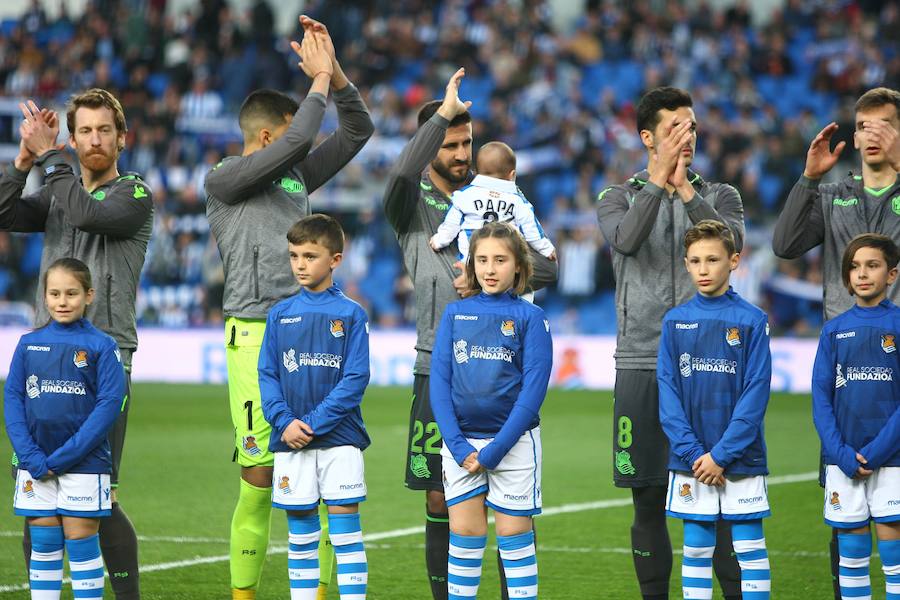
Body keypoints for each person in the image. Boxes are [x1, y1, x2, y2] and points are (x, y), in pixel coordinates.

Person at [203, 16, 373, 600]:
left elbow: (358, 131)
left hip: (313, 334)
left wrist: (338, 77)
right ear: (269, 137)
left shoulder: (295, 174)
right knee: (258, 478)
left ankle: (323, 594)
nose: (295, 138)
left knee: (325, 469)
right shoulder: (225, 179)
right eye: (289, 131)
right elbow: (304, 136)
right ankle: (244, 595)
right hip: (254, 337)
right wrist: (317, 81)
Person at [382, 68, 557, 600]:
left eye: (467, 143)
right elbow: (396, 181)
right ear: (430, 144)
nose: (462, 154)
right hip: (437, 364)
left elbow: (549, 269)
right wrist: (439, 117)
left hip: (502, 368)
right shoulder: (412, 207)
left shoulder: (499, 201)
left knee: (512, 507)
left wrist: (494, 266)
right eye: (450, 144)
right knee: (440, 499)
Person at [0, 88, 152, 600]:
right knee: (36, 488)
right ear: (73, 136)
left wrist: (50, 158)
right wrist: (22, 160)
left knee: (98, 495)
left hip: (105, 361)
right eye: (83, 130)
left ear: (122, 138)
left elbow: (89, 215)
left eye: (104, 130)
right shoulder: (58, 191)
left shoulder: (135, 194)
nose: (93, 140)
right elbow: (3, 213)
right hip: (46, 359)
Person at [595, 86, 744, 600]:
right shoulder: (617, 197)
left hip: (713, 364)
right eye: (675, 128)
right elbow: (626, 241)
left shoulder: (720, 195)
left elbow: (731, 246)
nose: (687, 137)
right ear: (646, 137)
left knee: (722, 497)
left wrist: (685, 192)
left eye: (693, 128)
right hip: (641, 360)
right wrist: (659, 184)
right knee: (648, 497)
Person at [772, 87, 900, 598]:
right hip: (844, 362)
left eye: (884, 124)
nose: (871, 133)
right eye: (863, 124)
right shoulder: (834, 192)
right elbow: (783, 245)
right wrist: (809, 178)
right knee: (842, 508)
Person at [430, 222, 552, 600]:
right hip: (461, 447)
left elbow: (532, 393)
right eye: (481, 260)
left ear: (518, 266)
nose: (489, 268)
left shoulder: (531, 318)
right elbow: (439, 384)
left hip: (512, 448)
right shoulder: (455, 315)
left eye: (500, 260)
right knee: (464, 537)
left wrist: (494, 451)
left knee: (514, 538)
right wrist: (460, 447)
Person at [657, 220, 772, 600]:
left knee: (750, 549)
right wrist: (695, 454)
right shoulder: (675, 321)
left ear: (734, 261)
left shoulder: (752, 320)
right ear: (685, 264)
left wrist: (720, 455)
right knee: (695, 548)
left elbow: (755, 395)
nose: (703, 270)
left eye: (712, 260)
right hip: (691, 459)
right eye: (694, 261)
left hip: (740, 456)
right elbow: (668, 394)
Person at [259, 214, 370, 600]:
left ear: (335, 260)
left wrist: (310, 423)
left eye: (310, 255)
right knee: (301, 536)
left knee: (345, 535)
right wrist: (285, 422)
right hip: (291, 441)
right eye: (294, 256)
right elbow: (267, 376)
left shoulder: (351, 314)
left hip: (339, 440)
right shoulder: (280, 314)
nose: (300, 265)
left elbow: (355, 380)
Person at [5, 258, 126, 600]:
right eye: (55, 293)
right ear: (44, 297)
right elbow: (13, 401)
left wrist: (62, 458)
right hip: (35, 463)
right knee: (42, 542)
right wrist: (30, 456)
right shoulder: (28, 344)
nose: (62, 301)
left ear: (89, 295)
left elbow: (108, 408)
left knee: (80, 540)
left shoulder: (102, 346)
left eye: (71, 293)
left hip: (83, 464)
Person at [811, 233, 900, 600]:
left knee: (894, 560)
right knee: (851, 559)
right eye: (854, 266)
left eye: (872, 265)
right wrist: (840, 453)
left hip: (893, 460)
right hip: (843, 460)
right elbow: (821, 397)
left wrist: (877, 451)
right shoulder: (833, 329)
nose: (862, 274)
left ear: (892, 274)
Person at [429, 141, 556, 262]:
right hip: (505, 266)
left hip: (471, 262)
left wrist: (439, 240)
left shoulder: (463, 196)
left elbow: (451, 225)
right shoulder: (518, 201)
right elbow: (532, 231)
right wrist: (546, 249)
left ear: (476, 172)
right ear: (512, 175)